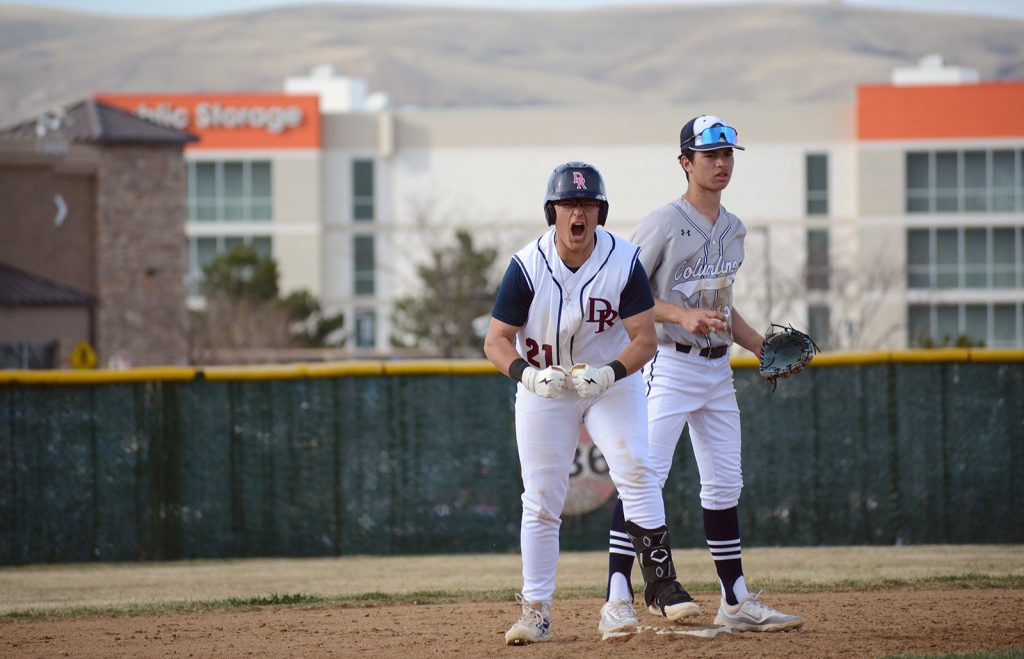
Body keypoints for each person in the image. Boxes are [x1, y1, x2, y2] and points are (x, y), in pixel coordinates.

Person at [602, 116, 805, 632]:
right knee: (641, 480)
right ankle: (618, 597)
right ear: (685, 162)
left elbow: (721, 306)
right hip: (667, 365)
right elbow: (628, 294)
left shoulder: (734, 229)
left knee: (724, 486)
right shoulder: (662, 224)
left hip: (718, 372)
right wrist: (677, 314)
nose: (721, 163)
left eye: (728, 154)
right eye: (710, 155)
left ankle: (735, 602)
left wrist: (759, 345)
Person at [484, 161, 697, 645]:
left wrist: (611, 372)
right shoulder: (527, 266)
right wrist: (527, 375)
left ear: (599, 213)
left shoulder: (623, 261)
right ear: (552, 213)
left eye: (587, 204)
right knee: (541, 500)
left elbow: (644, 339)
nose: (577, 213)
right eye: (568, 204)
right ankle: (536, 611)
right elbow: (496, 340)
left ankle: (661, 583)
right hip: (545, 388)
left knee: (636, 467)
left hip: (609, 382)